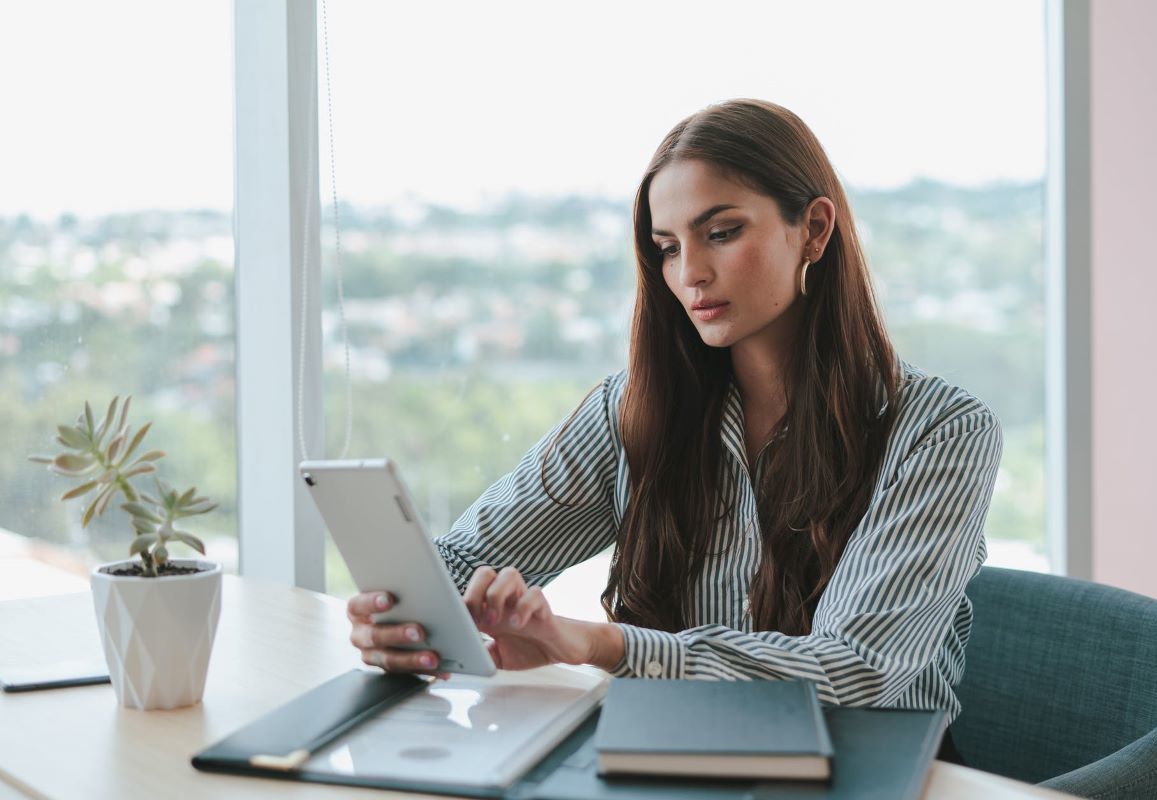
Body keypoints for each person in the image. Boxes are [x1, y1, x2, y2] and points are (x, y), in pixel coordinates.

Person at [346, 99, 1001, 763]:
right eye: (666, 248)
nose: (689, 274)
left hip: (863, 771)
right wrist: (406, 620)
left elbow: (854, 669)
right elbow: (461, 563)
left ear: (814, 229)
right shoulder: (632, 412)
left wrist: (604, 644)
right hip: (668, 759)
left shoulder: (940, 432)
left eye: (721, 233)